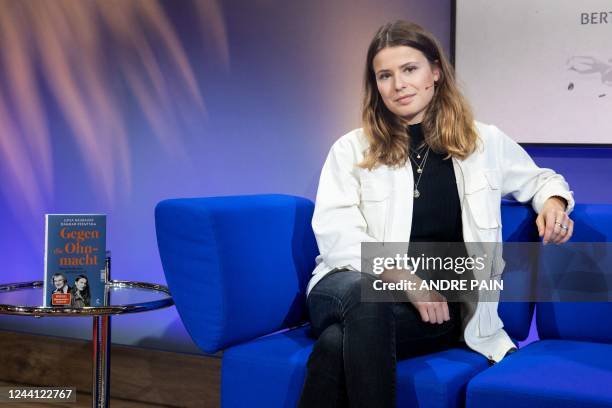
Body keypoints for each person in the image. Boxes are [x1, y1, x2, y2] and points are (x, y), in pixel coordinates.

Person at [298, 20, 575, 408]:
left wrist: (553, 203)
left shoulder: (482, 142)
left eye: (409, 70)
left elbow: (541, 180)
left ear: (435, 73)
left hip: (438, 306)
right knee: (366, 300)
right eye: (385, 75)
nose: (399, 85)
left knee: (335, 343)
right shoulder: (351, 149)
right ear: (375, 85)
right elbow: (337, 235)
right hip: (346, 284)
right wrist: (402, 276)